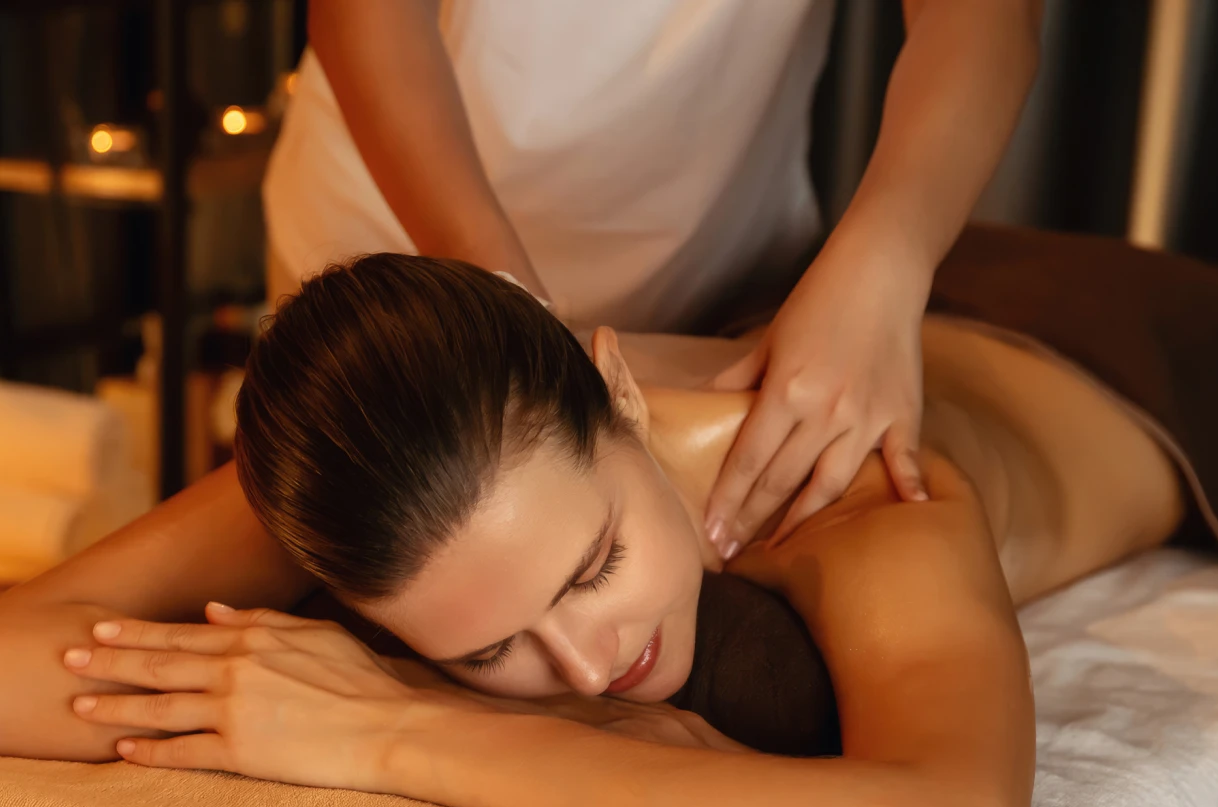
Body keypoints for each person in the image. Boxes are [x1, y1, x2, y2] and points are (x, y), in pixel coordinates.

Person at [0, 229, 1218, 807]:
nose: (590, 656)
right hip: (851, 310)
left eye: (596, 563)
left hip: (1145, 365)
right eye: (484, 649)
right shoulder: (417, 480)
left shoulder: (853, 493)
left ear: (614, 389)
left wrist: (398, 731)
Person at [266, 0, 1044, 558]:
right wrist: (506, 318)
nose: (588, 666)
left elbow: (982, 15)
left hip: (722, 285)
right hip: (408, 266)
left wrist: (886, 261)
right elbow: (366, 17)